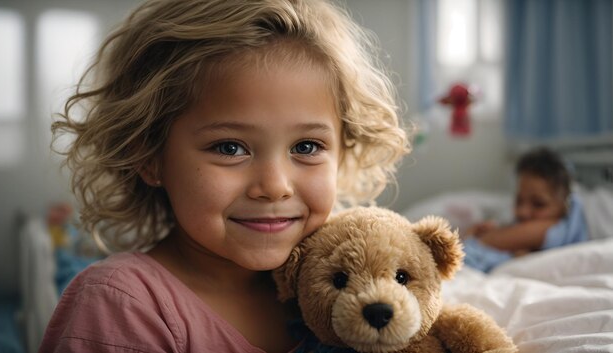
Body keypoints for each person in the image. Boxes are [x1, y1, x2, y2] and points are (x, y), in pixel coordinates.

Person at [39, 0, 409, 352]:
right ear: (149, 157)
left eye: (307, 147)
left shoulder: (348, 292)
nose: (275, 186)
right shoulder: (122, 306)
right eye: (230, 148)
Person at [463, 147, 588, 272]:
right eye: (519, 201)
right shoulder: (528, 223)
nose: (523, 212)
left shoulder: (557, 228)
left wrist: (478, 237)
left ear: (564, 206)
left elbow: (486, 241)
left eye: (538, 204)